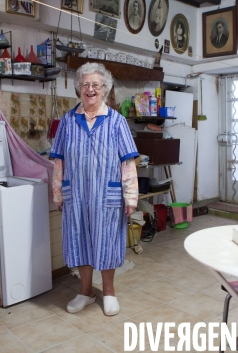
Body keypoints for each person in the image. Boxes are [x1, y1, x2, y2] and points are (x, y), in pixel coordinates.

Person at [50, 63, 138, 317]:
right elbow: (59, 161)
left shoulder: (117, 122)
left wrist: (130, 196)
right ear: (79, 88)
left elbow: (127, 163)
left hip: (106, 196)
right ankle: (86, 291)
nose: (90, 90)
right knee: (80, 242)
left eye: (95, 85)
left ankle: (109, 292)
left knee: (107, 242)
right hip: (75, 196)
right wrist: (57, 192)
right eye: (85, 85)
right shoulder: (67, 121)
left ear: (104, 90)